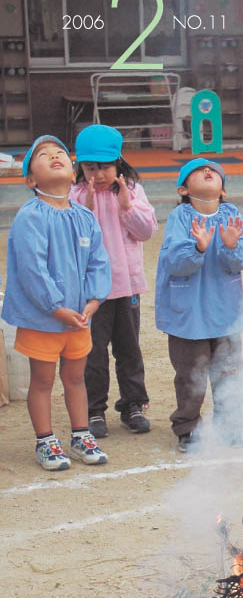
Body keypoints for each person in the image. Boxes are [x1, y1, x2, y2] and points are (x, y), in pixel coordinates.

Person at [2, 136, 111, 470]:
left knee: (76, 378)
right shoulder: (30, 216)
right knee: (43, 381)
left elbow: (99, 261)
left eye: (60, 153)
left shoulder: (85, 217)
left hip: (79, 318)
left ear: (73, 170)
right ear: (30, 180)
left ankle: (80, 435)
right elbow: (32, 269)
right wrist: (56, 307)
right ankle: (46, 440)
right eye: (43, 155)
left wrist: (94, 300)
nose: (54, 156)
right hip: (44, 319)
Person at [155, 159, 243, 452]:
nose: (208, 171)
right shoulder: (180, 217)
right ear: (183, 188)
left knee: (229, 373)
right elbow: (173, 262)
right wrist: (197, 247)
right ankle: (188, 429)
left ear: (223, 191)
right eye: (198, 171)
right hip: (189, 316)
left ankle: (230, 427)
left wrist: (232, 245)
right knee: (190, 374)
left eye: (214, 171)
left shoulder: (233, 215)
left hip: (226, 314)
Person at [71, 125, 158, 438]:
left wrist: (126, 207)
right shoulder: (76, 195)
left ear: (118, 163)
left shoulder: (131, 189)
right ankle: (94, 410)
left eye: (105, 166)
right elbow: (74, 240)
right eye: (90, 167)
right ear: (80, 167)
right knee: (92, 353)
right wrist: (87, 209)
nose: (99, 174)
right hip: (92, 291)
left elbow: (147, 231)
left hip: (127, 286)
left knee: (129, 349)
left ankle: (133, 404)